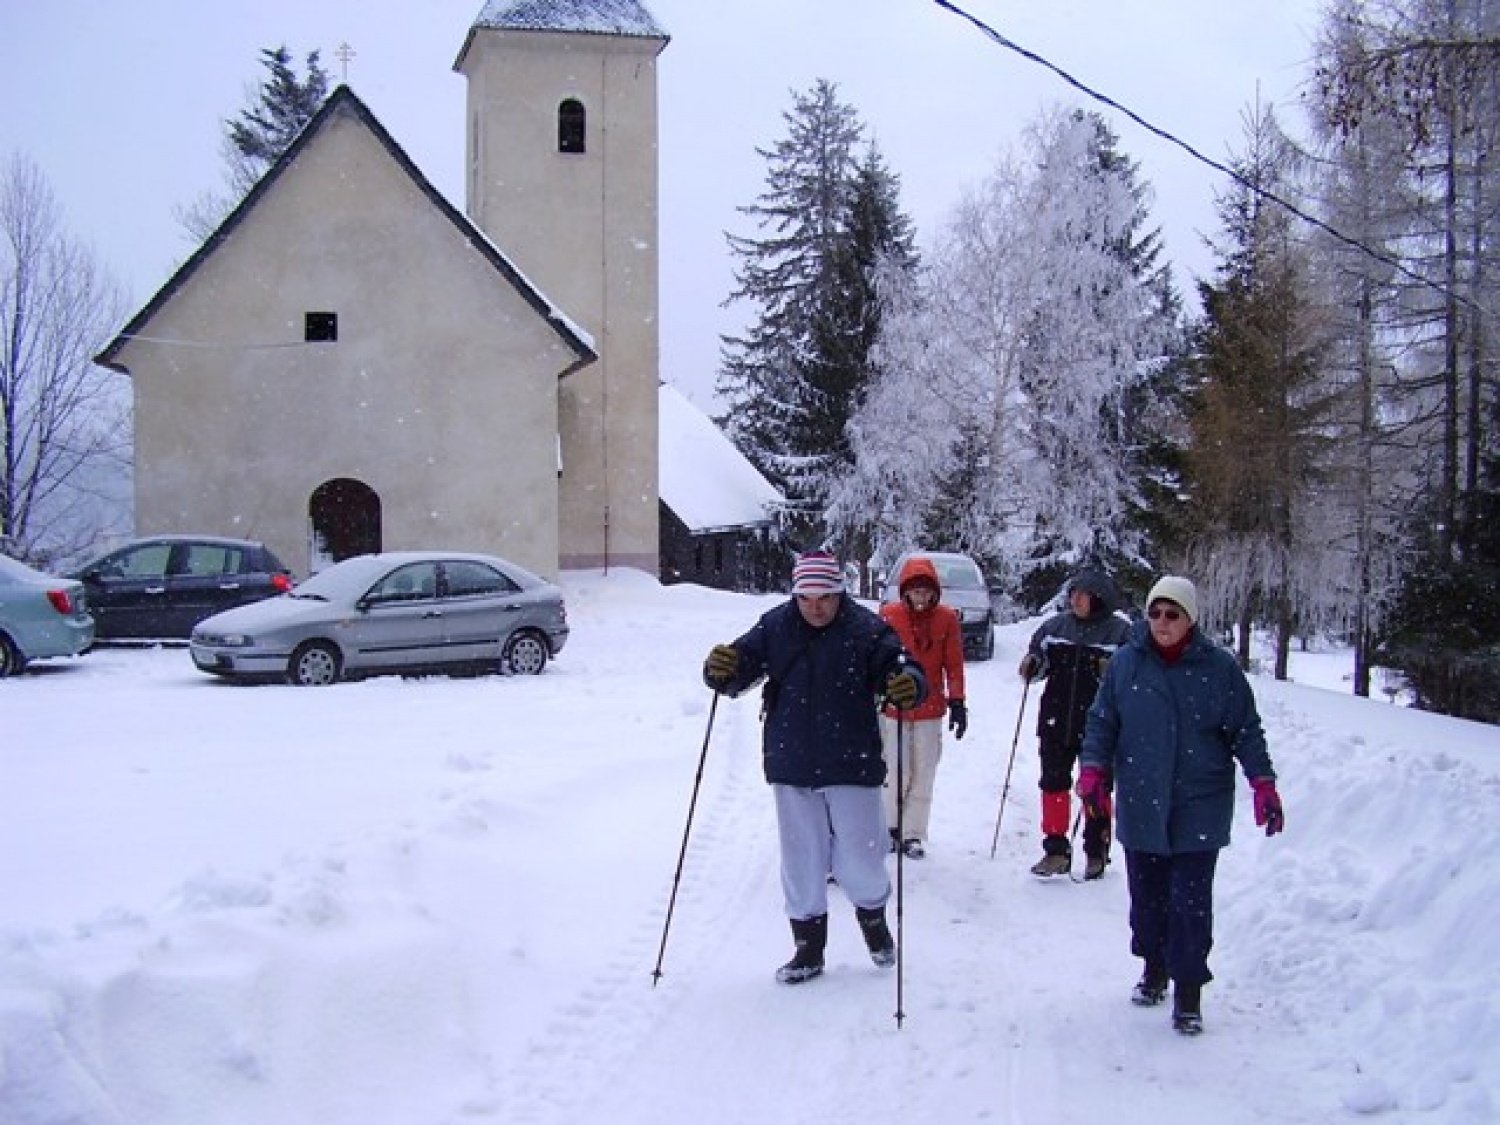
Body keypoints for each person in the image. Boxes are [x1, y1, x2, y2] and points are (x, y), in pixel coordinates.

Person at [702, 550, 926, 985]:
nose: (815, 607)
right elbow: (738, 668)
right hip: (791, 760)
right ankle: (807, 949)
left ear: (839, 592)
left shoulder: (866, 629)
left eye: (824, 597)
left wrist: (909, 685)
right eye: (805, 597)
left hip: (852, 760)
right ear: (795, 594)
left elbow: (903, 669)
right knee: (802, 858)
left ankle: (874, 923)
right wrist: (719, 672)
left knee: (860, 859)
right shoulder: (775, 626)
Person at [1077, 575, 1284, 1035]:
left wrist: (1263, 782)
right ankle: (1154, 967)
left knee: (1190, 904)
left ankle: (1188, 990)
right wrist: (1093, 769)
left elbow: (1246, 730)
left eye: (1173, 614)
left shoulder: (1219, 670)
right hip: (1143, 799)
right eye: (1155, 613)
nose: (1162, 623)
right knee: (1147, 901)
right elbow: (1102, 722)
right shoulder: (1127, 665)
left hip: (1199, 802)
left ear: (1190, 619)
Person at [1018, 570, 1129, 879]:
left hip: (1100, 724)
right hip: (1055, 717)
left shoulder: (1120, 633)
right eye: (1073, 593)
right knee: (1052, 783)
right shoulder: (1054, 627)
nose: (1074, 599)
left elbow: (1134, 680)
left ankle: (1096, 850)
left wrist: (1111, 672)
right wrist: (1033, 666)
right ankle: (1055, 850)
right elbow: (1037, 660)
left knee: (1096, 787)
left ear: (1099, 598)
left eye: (1082, 594)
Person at [878, 554, 967, 859]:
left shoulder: (946, 619)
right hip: (895, 707)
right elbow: (876, 659)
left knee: (924, 770)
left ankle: (913, 832)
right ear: (905, 591)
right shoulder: (889, 616)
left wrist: (958, 701)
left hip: (930, 708)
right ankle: (889, 826)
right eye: (915, 591)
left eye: (926, 591)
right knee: (895, 768)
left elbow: (953, 664)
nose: (921, 597)